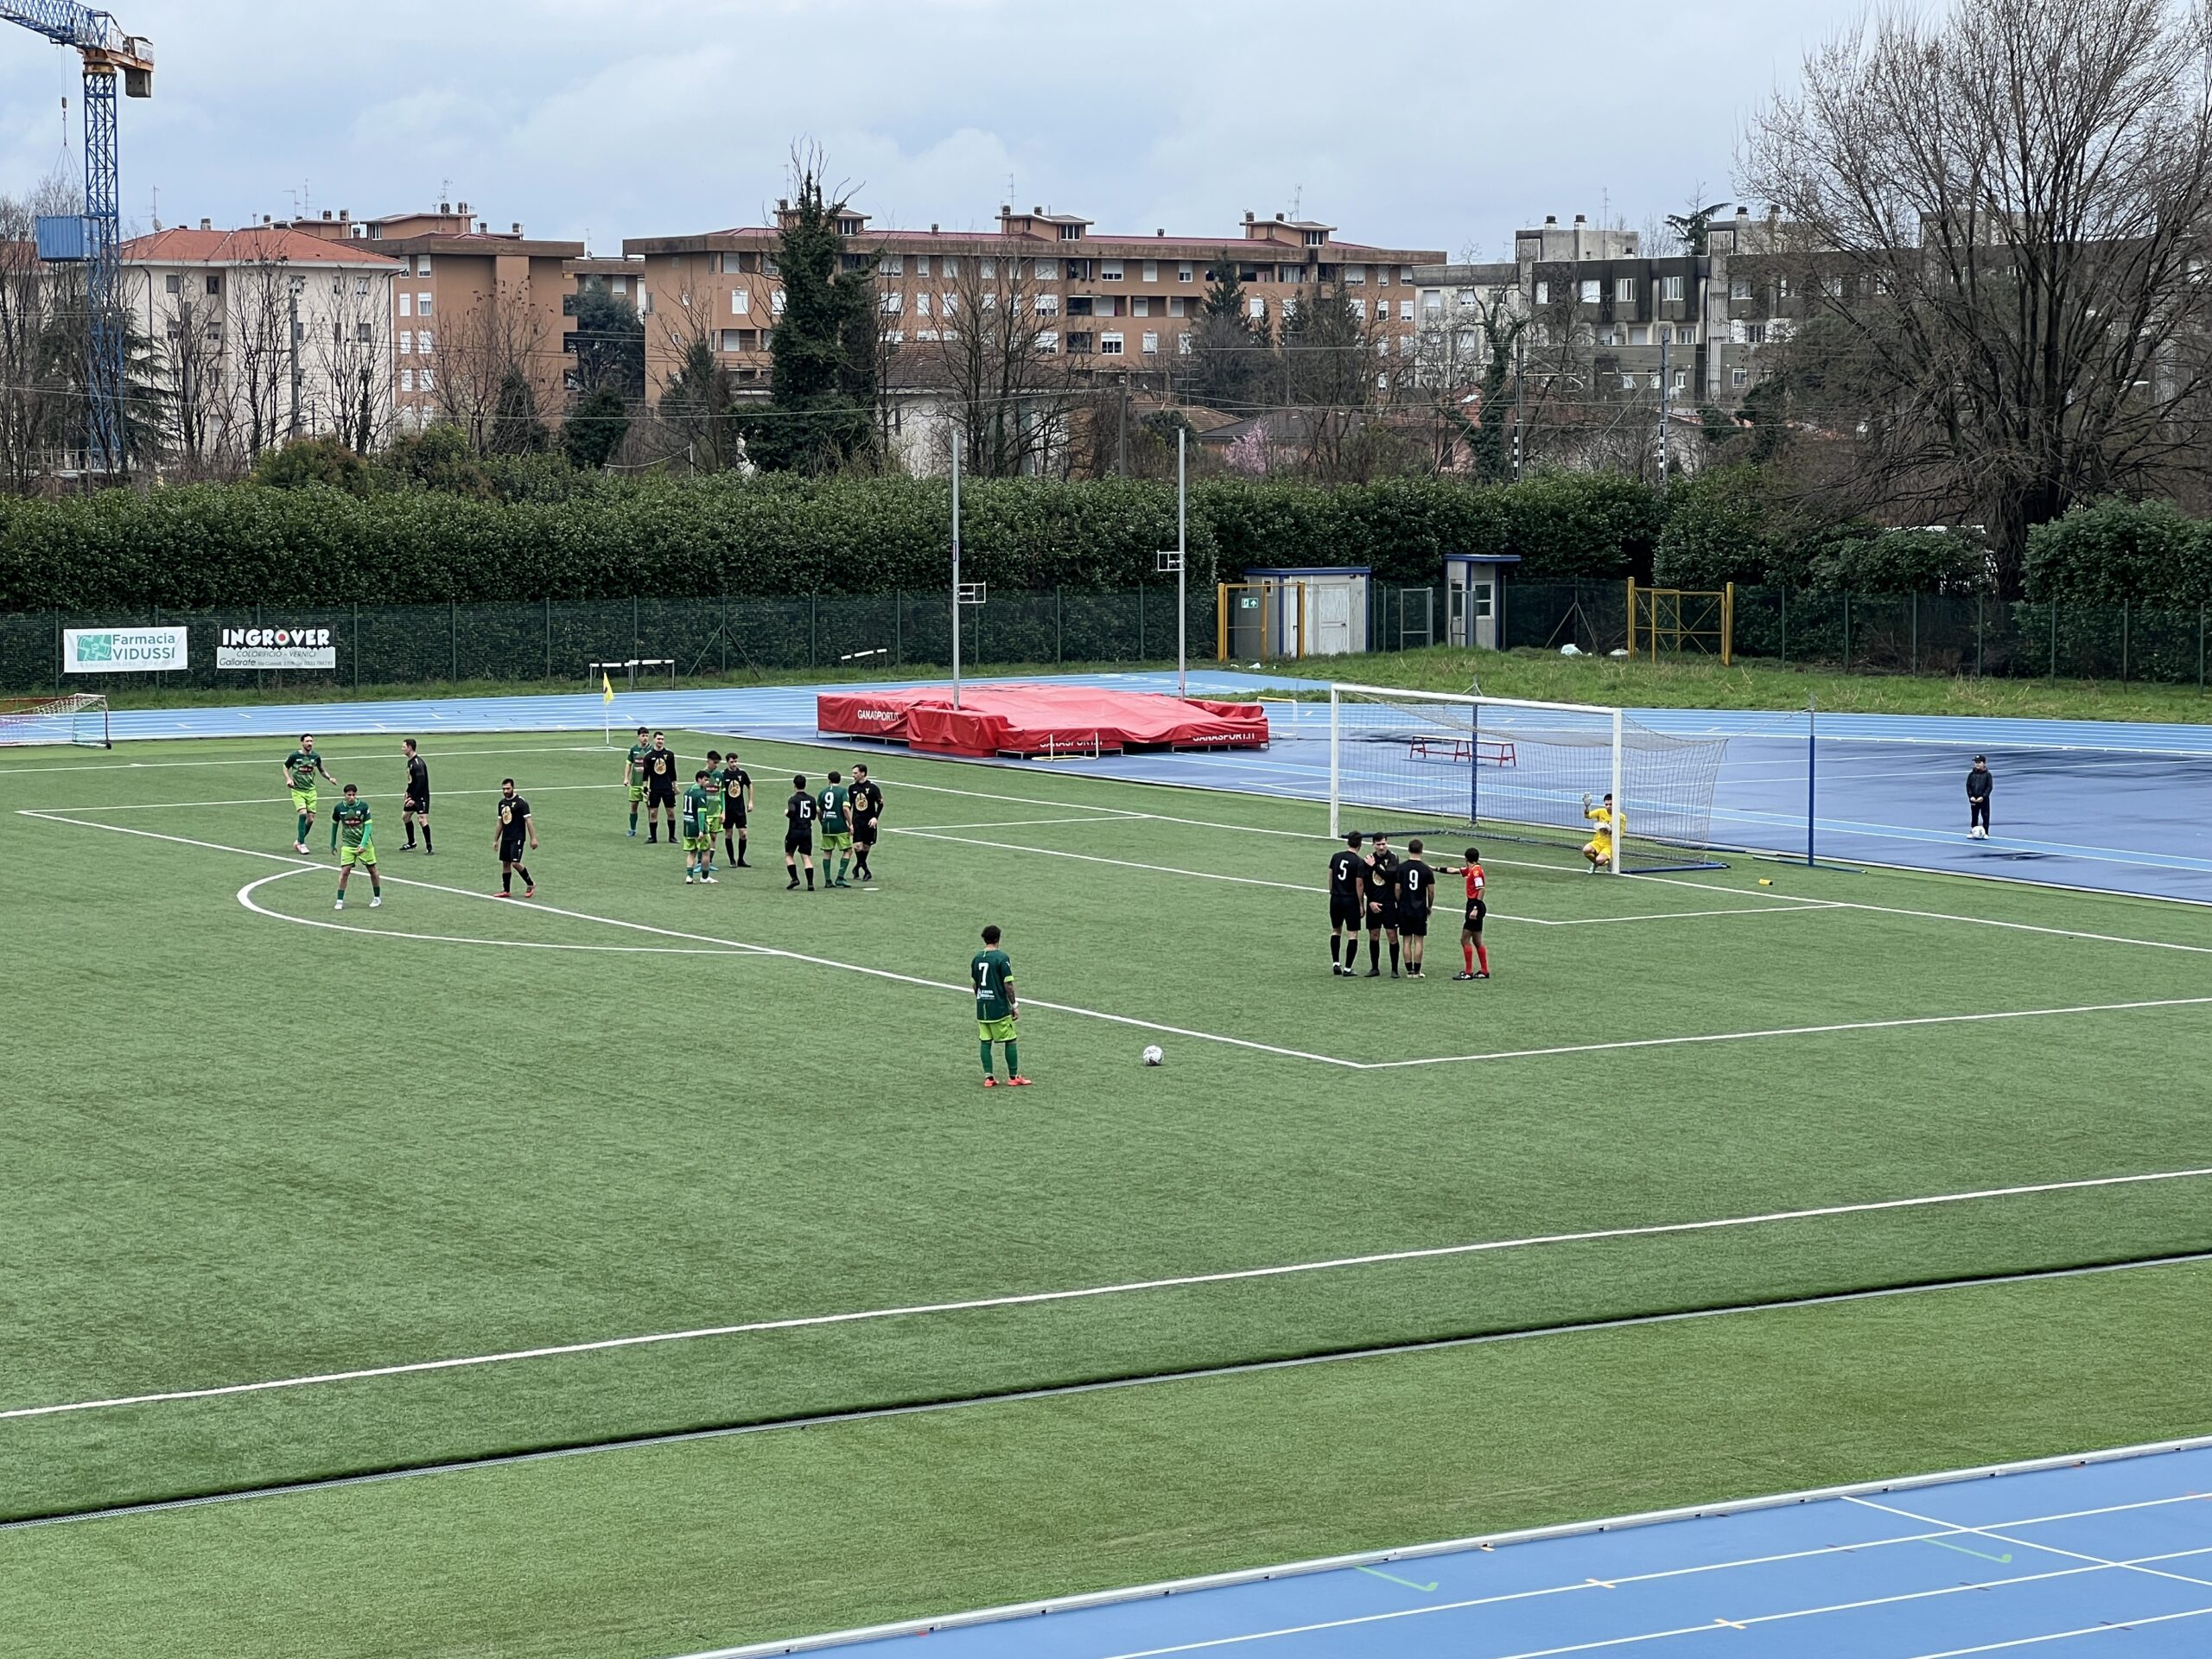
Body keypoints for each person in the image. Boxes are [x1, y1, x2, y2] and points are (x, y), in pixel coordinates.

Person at [971, 924, 1030, 1088]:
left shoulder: (976, 958)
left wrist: (981, 999)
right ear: (998, 939)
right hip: (998, 1007)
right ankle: (1013, 1077)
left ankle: (989, 1078)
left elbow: (974, 984)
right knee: (1011, 1039)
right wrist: (1014, 1004)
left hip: (982, 1008)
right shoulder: (1001, 958)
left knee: (985, 1041)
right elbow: (1008, 985)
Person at [281, 734, 335, 855]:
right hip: (298, 790)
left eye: (311, 741)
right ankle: (302, 844)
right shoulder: (295, 756)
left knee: (310, 820)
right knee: (303, 814)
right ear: (302, 743)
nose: (310, 743)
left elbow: (321, 770)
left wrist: (329, 778)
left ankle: (298, 841)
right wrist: (288, 779)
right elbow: (285, 767)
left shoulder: (315, 756)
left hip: (311, 791)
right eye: (307, 741)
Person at [330, 784, 382, 911]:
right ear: (344, 795)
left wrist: (363, 844)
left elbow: (368, 826)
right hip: (348, 845)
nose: (352, 797)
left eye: (354, 794)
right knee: (345, 871)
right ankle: (339, 900)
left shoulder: (363, 807)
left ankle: (377, 897)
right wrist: (332, 843)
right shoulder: (339, 808)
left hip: (364, 844)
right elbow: (335, 825)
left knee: (372, 871)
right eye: (349, 795)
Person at [1443, 847, 1491, 981]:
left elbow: (1481, 889)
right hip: (1476, 905)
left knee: (1464, 939)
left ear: (1466, 858)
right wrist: (1434, 869)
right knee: (1477, 940)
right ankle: (1484, 970)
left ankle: (1468, 972)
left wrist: (1475, 907)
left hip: (1474, 905)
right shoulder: (1473, 869)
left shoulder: (1475, 872)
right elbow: (1453, 870)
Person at [1393, 838, 1437, 979]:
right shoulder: (1426, 869)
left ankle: (1409, 971)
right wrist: (1429, 906)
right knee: (1419, 940)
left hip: (1405, 908)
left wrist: (1399, 903)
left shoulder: (1401, 867)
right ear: (1422, 850)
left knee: (1406, 940)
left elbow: (1397, 889)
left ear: (1409, 850)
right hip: (1419, 910)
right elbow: (1431, 891)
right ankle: (1417, 971)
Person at [1328, 832, 1369, 976]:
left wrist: (1332, 892)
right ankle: (1348, 968)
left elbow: (1331, 876)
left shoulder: (1336, 857)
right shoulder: (1359, 862)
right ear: (1360, 844)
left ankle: (1336, 963)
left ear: (1348, 842)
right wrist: (1361, 904)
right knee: (1353, 934)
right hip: (1350, 900)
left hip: (1336, 898)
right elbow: (1359, 885)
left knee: (1336, 930)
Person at [1363, 832, 1402, 978]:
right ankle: (1374, 968)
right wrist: (1370, 901)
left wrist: (1375, 866)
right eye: (1378, 844)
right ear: (1374, 845)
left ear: (1387, 843)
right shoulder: (1368, 860)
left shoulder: (1393, 858)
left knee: (1392, 936)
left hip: (1389, 903)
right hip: (1374, 903)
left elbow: (1390, 877)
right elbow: (1365, 883)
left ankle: (1394, 969)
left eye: (1384, 844)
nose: (1381, 847)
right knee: (1374, 936)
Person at [493, 778, 537, 898]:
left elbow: (528, 821)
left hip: (518, 837)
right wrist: (496, 840)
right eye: (504, 789)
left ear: (513, 788)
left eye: (508, 788)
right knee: (505, 863)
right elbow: (500, 823)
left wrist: (533, 838)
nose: (506, 791)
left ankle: (530, 883)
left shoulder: (521, 803)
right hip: (506, 838)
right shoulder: (502, 803)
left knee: (515, 863)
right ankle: (506, 890)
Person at [641, 732, 679, 845]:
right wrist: (645, 788)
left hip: (667, 788)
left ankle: (672, 837)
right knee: (653, 813)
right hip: (654, 789)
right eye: (658, 739)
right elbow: (646, 774)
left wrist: (675, 785)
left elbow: (673, 771)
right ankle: (653, 837)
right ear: (654, 740)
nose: (660, 741)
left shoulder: (669, 755)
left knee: (671, 812)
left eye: (662, 739)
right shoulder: (648, 756)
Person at [817, 770, 854, 888]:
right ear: (840, 780)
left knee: (827, 852)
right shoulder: (843, 791)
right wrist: (850, 824)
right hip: (840, 826)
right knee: (848, 850)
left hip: (827, 826)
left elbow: (818, 810)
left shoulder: (823, 792)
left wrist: (822, 821)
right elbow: (845, 808)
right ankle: (840, 877)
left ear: (829, 780)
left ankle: (828, 881)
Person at [849, 763, 884, 883]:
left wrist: (875, 818)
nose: (853, 775)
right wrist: (849, 823)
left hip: (869, 822)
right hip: (857, 821)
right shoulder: (852, 788)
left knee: (866, 846)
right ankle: (866, 871)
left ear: (863, 773)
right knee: (858, 846)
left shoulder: (873, 788)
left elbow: (880, 803)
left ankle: (857, 866)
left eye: (855, 773)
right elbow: (849, 806)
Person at [682, 770, 717, 884]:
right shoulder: (701, 794)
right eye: (706, 780)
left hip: (687, 826)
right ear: (699, 779)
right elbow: (701, 814)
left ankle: (689, 877)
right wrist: (701, 830)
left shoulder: (687, 792)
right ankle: (705, 877)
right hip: (698, 827)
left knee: (692, 852)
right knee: (706, 851)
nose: (707, 782)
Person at [719, 751, 753, 868]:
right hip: (728, 810)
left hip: (739, 809)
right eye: (732, 762)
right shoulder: (723, 775)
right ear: (727, 762)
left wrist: (750, 801)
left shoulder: (742, 774)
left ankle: (741, 859)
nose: (734, 764)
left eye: (736, 761)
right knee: (728, 834)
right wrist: (721, 809)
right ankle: (732, 860)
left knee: (743, 834)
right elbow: (719, 791)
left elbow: (749, 785)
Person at [784, 773, 817, 890]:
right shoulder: (812, 799)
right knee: (806, 857)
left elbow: (792, 812)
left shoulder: (792, 799)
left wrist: (787, 813)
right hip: (807, 831)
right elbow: (813, 816)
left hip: (794, 830)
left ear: (794, 785)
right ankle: (810, 883)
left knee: (789, 854)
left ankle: (794, 878)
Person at [400, 738, 433, 854]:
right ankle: (411, 842)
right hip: (413, 795)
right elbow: (412, 781)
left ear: (410, 747)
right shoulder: (410, 762)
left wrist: (414, 799)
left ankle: (429, 847)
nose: (402, 749)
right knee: (405, 817)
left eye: (404, 747)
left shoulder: (418, 764)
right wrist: (407, 792)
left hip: (421, 796)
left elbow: (421, 782)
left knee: (421, 819)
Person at [621, 727, 652, 838]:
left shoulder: (651, 750)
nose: (645, 738)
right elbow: (629, 764)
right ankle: (632, 829)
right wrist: (626, 778)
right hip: (635, 783)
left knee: (650, 808)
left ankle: (651, 832)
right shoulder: (634, 749)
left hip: (647, 784)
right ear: (638, 737)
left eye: (647, 736)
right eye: (643, 736)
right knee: (633, 807)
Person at [1580, 792, 1618, 874]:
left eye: (1611, 804)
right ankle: (1595, 863)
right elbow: (1588, 816)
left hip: (1609, 845)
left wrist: (1610, 831)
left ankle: (1609, 861)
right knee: (1586, 850)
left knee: (1600, 860)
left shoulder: (1620, 816)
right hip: (1598, 842)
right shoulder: (1600, 811)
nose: (1608, 806)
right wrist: (1587, 807)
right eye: (1606, 804)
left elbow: (1621, 834)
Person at [1967, 754, 1994, 839]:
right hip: (1974, 799)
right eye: (1976, 762)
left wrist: (1983, 796)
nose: (1977, 764)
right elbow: (1968, 786)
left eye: (1979, 762)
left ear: (1984, 763)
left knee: (1985, 815)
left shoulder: (1987, 775)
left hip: (1983, 799)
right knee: (1974, 815)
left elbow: (1989, 787)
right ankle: (1973, 831)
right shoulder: (1971, 774)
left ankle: (1986, 832)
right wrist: (1970, 796)